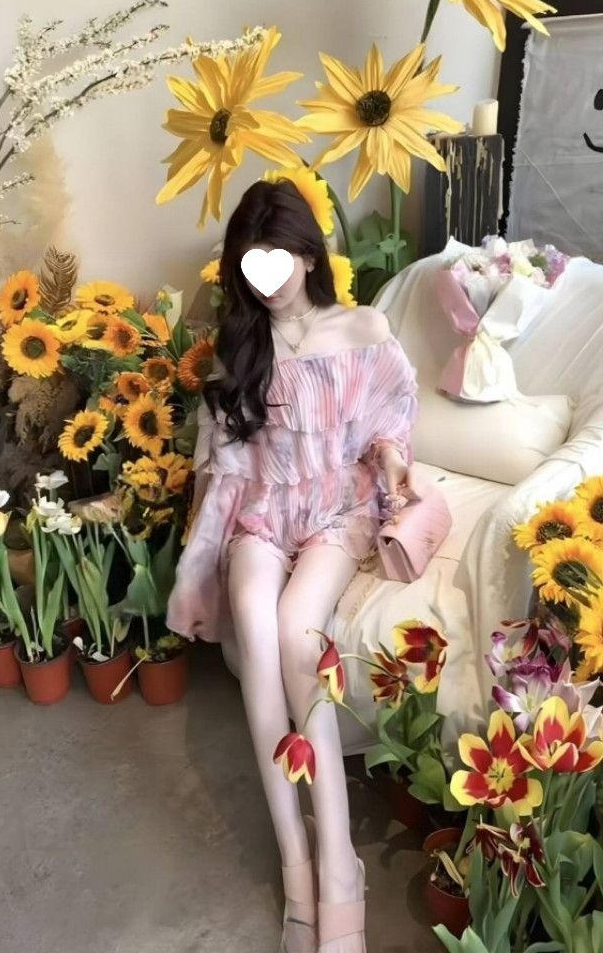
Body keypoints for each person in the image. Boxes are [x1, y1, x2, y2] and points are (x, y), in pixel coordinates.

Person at [167, 178, 419, 952]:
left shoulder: (363, 327)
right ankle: (296, 862)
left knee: (293, 631)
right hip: (261, 509)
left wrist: (392, 460)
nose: (268, 279)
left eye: (278, 258)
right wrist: (197, 557)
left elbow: (391, 421)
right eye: (251, 264)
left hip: (339, 509)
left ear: (309, 255)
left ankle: (340, 863)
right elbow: (222, 462)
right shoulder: (241, 348)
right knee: (252, 619)